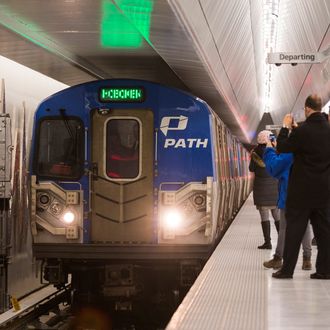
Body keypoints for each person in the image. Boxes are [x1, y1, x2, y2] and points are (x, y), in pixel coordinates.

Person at [273, 94, 330, 279]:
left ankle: (287, 270)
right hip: (324, 191)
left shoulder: (302, 131)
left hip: (301, 193)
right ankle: (324, 270)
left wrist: (285, 127)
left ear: (307, 109)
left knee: (294, 231)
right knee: (324, 233)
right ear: (320, 108)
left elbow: (281, 146)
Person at [262, 136, 312, 270]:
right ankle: (307, 259)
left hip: (290, 197)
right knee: (306, 227)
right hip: (307, 196)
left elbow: (274, 168)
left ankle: (278, 258)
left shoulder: (289, 154)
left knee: (284, 229)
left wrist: (269, 149)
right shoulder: (310, 153)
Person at [249, 130, 280, 249]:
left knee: (264, 218)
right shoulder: (275, 153)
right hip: (274, 189)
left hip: (261, 190)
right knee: (277, 216)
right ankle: (282, 241)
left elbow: (251, 169)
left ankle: (268, 242)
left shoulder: (255, 153)